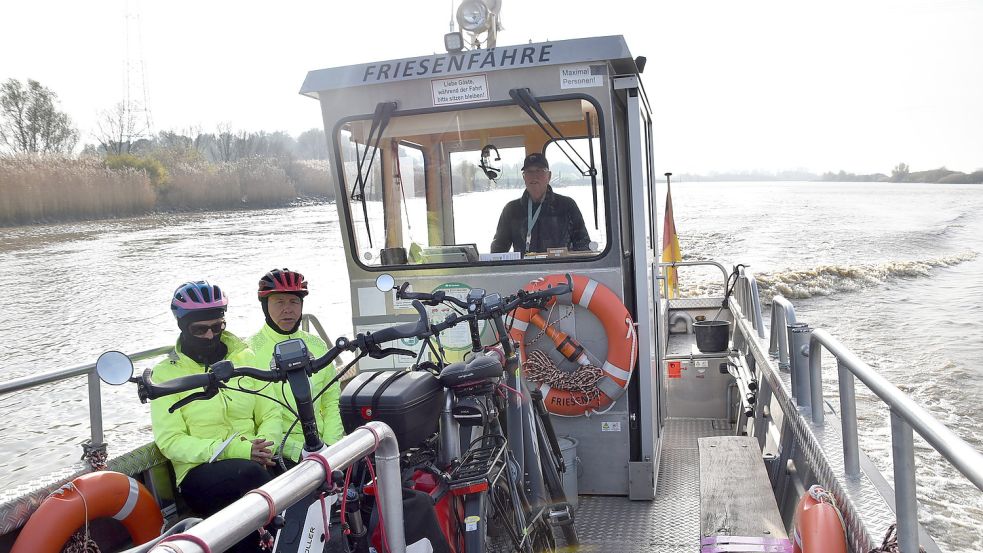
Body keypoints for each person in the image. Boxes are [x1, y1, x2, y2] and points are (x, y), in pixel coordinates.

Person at [151, 280, 281, 553]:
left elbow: (270, 411)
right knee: (248, 474)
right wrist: (241, 451)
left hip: (257, 459)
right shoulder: (166, 375)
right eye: (199, 329)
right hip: (199, 473)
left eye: (217, 326)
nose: (210, 336)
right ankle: (288, 532)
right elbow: (170, 441)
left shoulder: (245, 357)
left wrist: (265, 447)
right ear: (182, 326)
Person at [245, 268, 344, 464]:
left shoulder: (317, 344)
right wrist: (297, 451)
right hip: (282, 451)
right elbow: (254, 419)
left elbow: (331, 400)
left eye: (294, 301)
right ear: (265, 306)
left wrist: (333, 445)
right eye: (279, 302)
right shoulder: (250, 351)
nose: (287, 310)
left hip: (325, 446)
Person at [490, 152, 591, 255]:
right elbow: (498, 249)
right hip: (524, 269)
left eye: (539, 171)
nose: (534, 176)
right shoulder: (511, 209)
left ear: (549, 176)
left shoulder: (567, 205)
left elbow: (583, 246)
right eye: (529, 172)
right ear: (524, 177)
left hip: (559, 269)